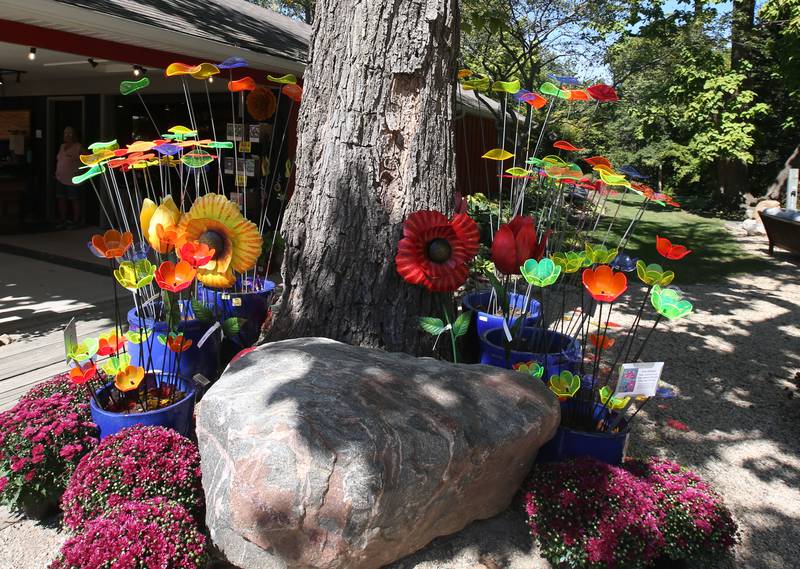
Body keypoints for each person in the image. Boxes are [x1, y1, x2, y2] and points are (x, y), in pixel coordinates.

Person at [54, 126, 84, 228]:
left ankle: (76, 221)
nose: (67, 135)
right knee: (61, 199)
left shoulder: (78, 147)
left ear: (75, 135)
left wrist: (83, 172)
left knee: (74, 199)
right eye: (66, 133)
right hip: (60, 178)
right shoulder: (62, 146)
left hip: (73, 179)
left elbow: (89, 158)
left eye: (70, 133)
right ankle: (63, 219)